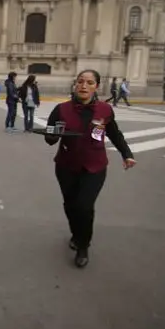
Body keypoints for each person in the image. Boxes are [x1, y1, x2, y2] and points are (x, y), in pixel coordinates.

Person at [43, 70, 136, 268]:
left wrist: (127, 154)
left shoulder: (105, 110)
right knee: (70, 204)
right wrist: (53, 135)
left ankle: (83, 246)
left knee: (84, 206)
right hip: (67, 165)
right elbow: (50, 138)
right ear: (75, 85)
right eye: (81, 81)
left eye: (90, 82)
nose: (84, 85)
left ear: (96, 86)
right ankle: (76, 235)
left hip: (95, 166)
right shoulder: (61, 109)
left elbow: (115, 134)